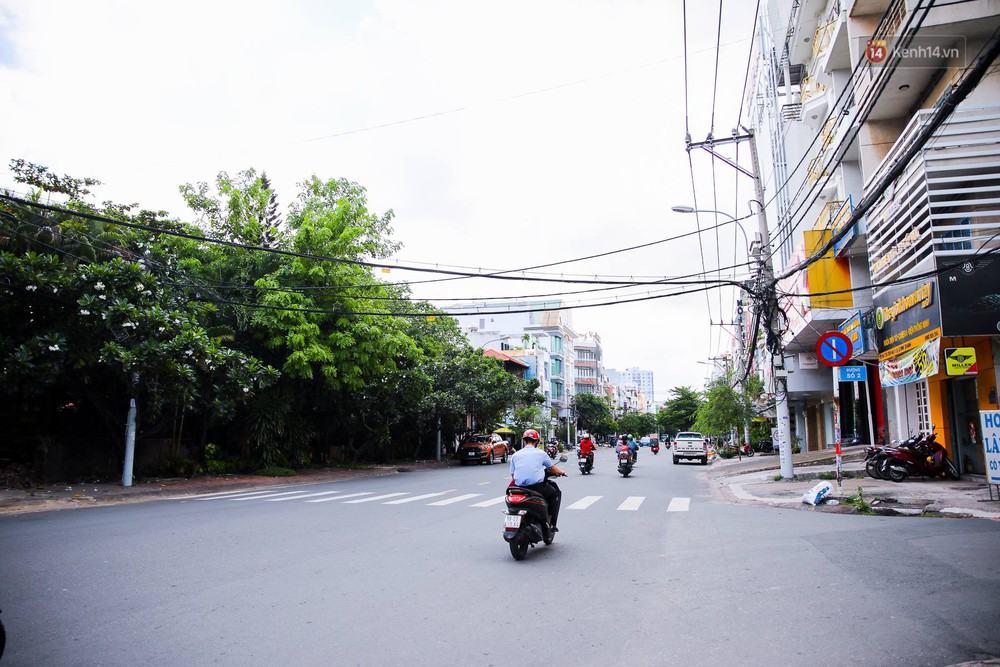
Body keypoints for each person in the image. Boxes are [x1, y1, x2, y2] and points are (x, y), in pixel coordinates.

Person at [510, 429, 565, 530]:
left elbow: (513, 475)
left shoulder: (515, 455)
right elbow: (552, 468)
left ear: (524, 441)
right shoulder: (541, 453)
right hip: (536, 487)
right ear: (537, 442)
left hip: (519, 488)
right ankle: (550, 522)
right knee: (554, 494)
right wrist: (561, 472)